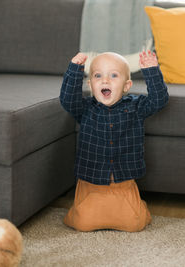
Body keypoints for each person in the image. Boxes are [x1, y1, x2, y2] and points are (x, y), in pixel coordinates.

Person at [60, 50, 168, 232]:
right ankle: (82, 213)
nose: (105, 80)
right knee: (83, 224)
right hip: (91, 183)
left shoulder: (136, 106)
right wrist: (74, 71)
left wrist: (151, 71)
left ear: (127, 86)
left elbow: (159, 100)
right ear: (90, 84)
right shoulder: (84, 108)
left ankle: (138, 208)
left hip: (123, 182)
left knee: (133, 224)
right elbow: (67, 100)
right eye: (98, 75)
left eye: (114, 75)